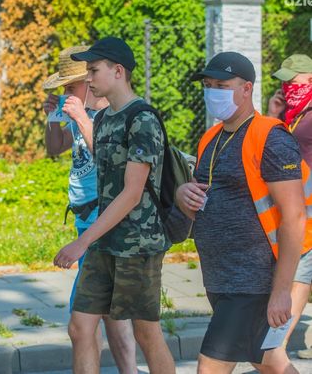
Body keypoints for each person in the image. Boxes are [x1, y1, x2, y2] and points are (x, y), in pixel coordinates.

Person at [176, 51, 311, 373]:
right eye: (208, 85)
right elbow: (204, 199)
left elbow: (294, 217)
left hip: (253, 281)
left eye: (221, 85)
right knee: (269, 361)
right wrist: (182, 194)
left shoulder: (271, 137)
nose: (212, 92)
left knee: (209, 366)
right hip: (220, 276)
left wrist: (282, 291)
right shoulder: (211, 137)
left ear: (246, 88)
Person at [54, 37, 175, 374]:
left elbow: (131, 193)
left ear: (118, 71)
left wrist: (82, 241)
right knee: (80, 328)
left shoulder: (142, 119)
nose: (88, 78)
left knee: (146, 333)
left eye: (94, 70)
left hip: (137, 245)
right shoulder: (105, 118)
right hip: (104, 244)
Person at [43, 46, 137, 373]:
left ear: (88, 81)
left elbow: (111, 162)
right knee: (112, 315)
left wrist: (82, 119)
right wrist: (52, 120)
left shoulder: (109, 114)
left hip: (104, 220)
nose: (66, 94)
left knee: (81, 321)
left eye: (70, 86)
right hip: (84, 218)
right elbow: (55, 148)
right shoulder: (78, 112)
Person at [267, 53, 312, 359]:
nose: (286, 88)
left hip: (307, 209)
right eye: (283, 82)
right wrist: (274, 115)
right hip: (296, 206)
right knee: (298, 274)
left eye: (292, 81)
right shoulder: (294, 112)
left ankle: (276, 352)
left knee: (299, 275)